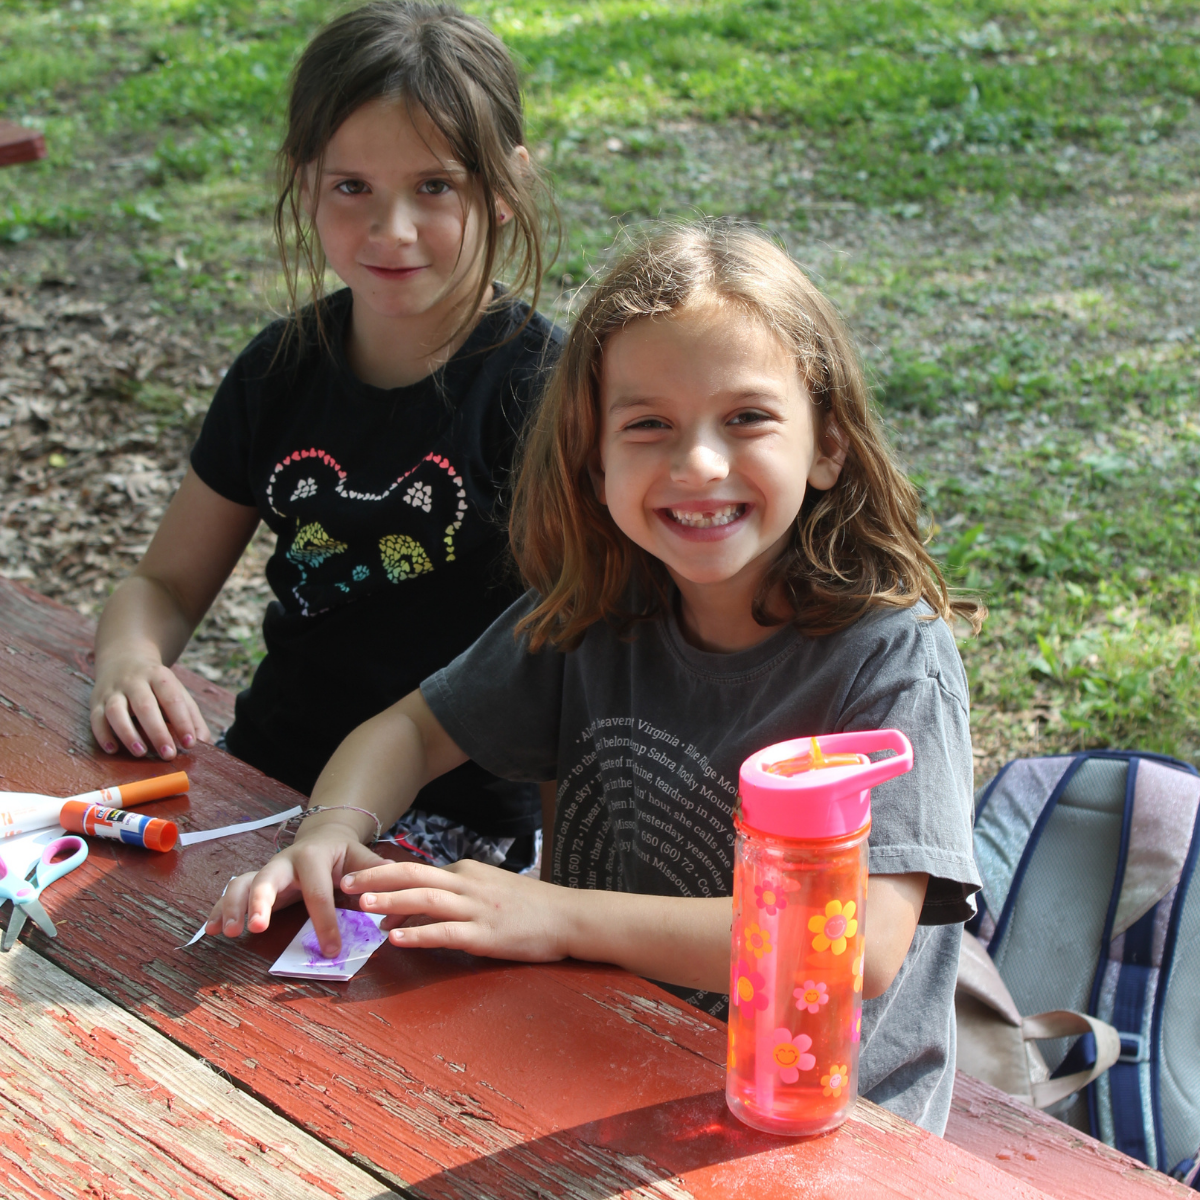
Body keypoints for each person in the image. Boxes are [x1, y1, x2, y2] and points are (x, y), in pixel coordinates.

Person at [208, 222, 984, 1134]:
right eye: (648, 424)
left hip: (821, 1131)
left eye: (747, 418)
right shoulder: (598, 608)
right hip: (592, 1064)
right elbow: (410, 731)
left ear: (828, 447)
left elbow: (854, 953)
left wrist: (556, 916)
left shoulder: (893, 659)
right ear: (595, 461)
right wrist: (331, 831)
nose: (698, 463)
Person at [89, 2, 561, 868]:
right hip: (261, 782)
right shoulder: (280, 369)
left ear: (504, 188)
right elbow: (163, 581)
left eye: (435, 186)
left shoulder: (548, 394)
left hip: (462, 837)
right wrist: (128, 659)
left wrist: (565, 882)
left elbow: (587, 659)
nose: (392, 231)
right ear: (306, 184)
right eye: (354, 188)